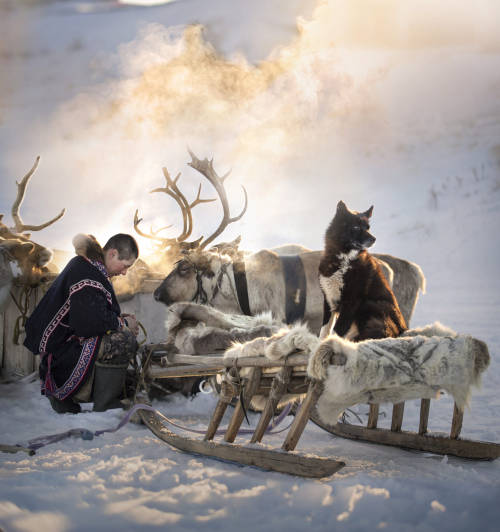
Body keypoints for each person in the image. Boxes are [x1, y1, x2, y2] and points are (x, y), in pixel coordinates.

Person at [24, 233, 140, 414]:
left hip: (63, 346)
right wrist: (123, 322)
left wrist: (119, 318)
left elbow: (90, 312)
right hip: (61, 355)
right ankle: (104, 405)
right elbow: (87, 324)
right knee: (122, 340)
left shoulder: (89, 267)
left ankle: (94, 394)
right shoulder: (88, 274)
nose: (124, 272)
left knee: (118, 333)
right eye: (125, 266)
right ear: (112, 253)